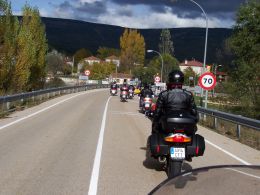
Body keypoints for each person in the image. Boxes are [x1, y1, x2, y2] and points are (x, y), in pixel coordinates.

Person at [152, 70, 198, 134]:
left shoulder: (164, 94)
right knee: (192, 131)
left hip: (167, 125)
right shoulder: (189, 94)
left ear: (170, 79)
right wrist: (194, 121)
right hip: (185, 126)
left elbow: (157, 112)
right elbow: (194, 112)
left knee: (155, 128)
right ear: (182, 80)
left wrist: (155, 122)